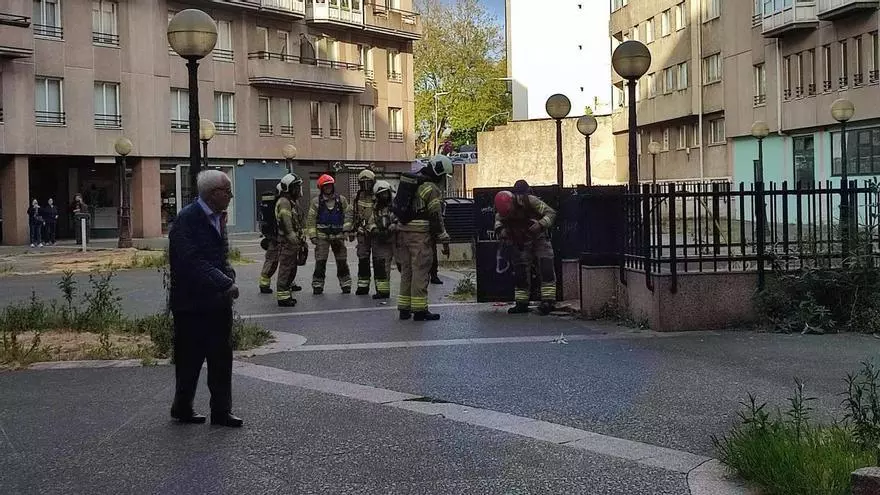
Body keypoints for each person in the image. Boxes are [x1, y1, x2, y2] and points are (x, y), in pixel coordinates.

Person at [168, 169, 242, 428]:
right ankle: (182, 406)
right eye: (227, 191)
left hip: (217, 303)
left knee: (221, 359)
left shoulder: (219, 218)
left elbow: (221, 256)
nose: (231, 196)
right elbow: (192, 261)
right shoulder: (186, 220)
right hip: (191, 305)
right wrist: (225, 283)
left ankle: (222, 411)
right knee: (189, 360)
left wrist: (228, 274)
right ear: (213, 194)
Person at [393, 155, 452, 321]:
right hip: (419, 236)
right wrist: (444, 238)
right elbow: (435, 215)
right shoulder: (430, 188)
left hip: (402, 234)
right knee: (420, 271)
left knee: (407, 271)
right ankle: (420, 310)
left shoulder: (413, 183)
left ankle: (404, 309)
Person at [494, 180, 558, 316]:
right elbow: (498, 222)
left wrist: (540, 225)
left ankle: (548, 301)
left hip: (539, 237)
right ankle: (521, 303)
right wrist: (502, 232)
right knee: (520, 273)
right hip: (520, 241)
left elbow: (550, 213)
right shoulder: (502, 211)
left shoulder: (531, 201)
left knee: (545, 266)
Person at [306, 174, 353, 295]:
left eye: (329, 186)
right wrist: (313, 236)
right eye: (325, 186)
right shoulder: (316, 202)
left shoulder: (341, 200)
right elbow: (311, 219)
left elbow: (348, 215)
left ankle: (346, 284)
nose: (328, 188)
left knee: (342, 261)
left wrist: (346, 230)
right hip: (322, 237)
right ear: (321, 188)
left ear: (333, 186)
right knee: (320, 262)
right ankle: (318, 285)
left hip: (338, 236)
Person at [274, 173, 306, 307]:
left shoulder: (291, 202)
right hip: (287, 242)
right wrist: (293, 237)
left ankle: (287, 294)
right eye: (296, 187)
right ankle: (282, 298)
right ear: (289, 188)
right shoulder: (284, 202)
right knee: (286, 268)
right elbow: (286, 223)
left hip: (293, 242)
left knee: (292, 268)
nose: (299, 190)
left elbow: (297, 221)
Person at [367, 180, 396, 299]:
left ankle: (409, 291)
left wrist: (393, 226)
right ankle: (383, 291)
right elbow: (370, 221)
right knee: (381, 266)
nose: (384, 196)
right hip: (381, 241)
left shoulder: (396, 206)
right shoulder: (375, 208)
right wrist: (375, 230)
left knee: (404, 265)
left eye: (386, 193)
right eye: (381, 194)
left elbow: (401, 218)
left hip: (395, 240)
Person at [353, 169, 376, 295]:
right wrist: (349, 229)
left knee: (379, 260)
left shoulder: (379, 194)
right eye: (363, 183)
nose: (366, 185)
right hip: (362, 234)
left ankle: (381, 289)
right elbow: (351, 214)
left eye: (369, 182)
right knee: (363, 260)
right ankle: (363, 286)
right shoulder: (357, 197)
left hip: (376, 233)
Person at [257, 188, 281, 294]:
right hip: (275, 237)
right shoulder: (277, 203)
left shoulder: (269, 204)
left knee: (288, 261)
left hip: (274, 236)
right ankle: (264, 284)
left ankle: (290, 282)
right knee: (272, 260)